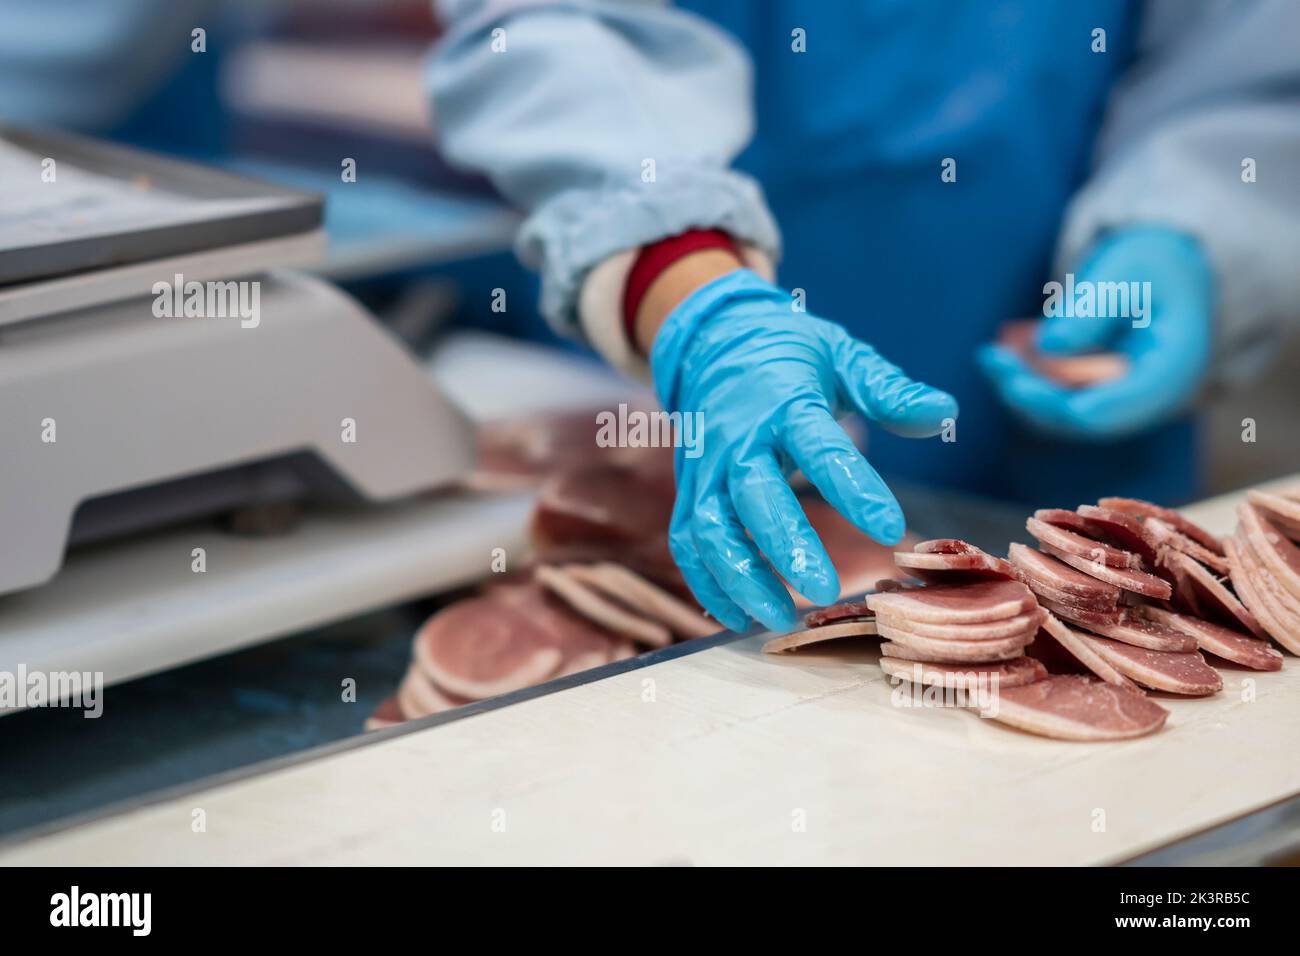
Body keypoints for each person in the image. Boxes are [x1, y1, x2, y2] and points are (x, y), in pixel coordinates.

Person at [426, 0, 1300, 632]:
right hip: (665, 383)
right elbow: (551, 28)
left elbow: (1252, 57)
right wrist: (685, 282)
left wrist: (1194, 224)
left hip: (1048, 397)